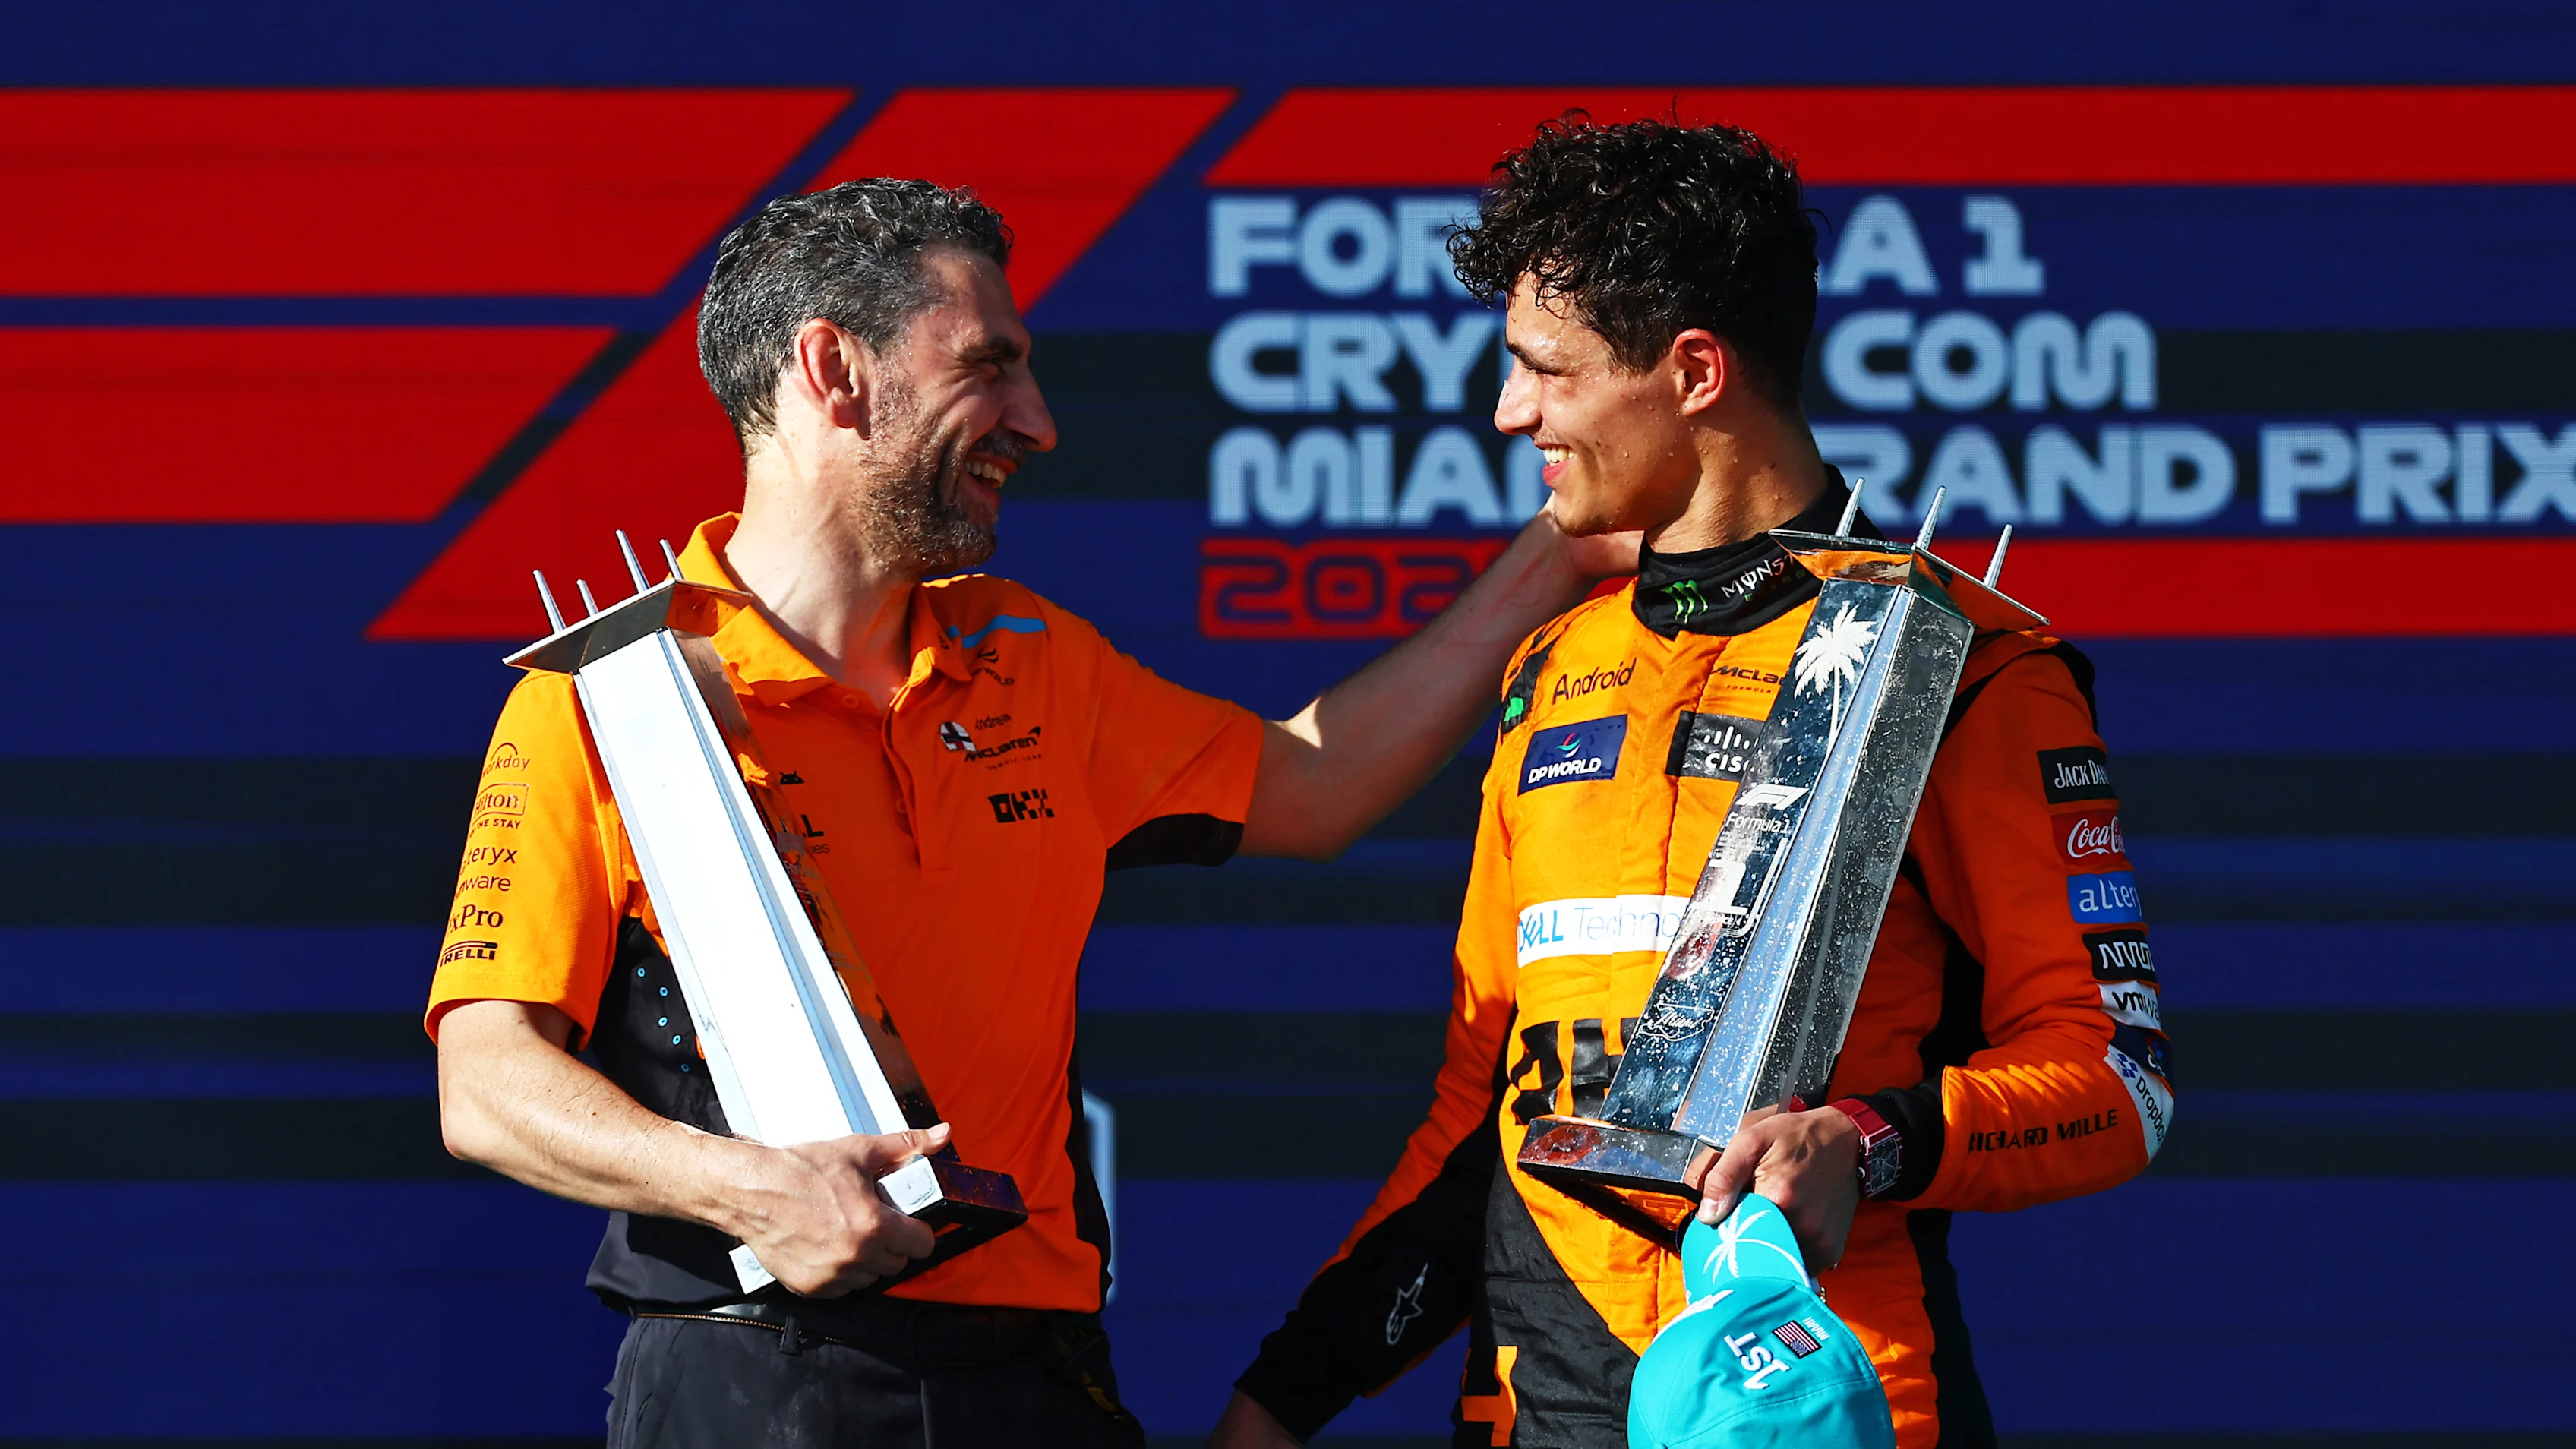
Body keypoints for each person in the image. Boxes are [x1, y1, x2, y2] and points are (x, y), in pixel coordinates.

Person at [428, 178, 1633, 1447]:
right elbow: (488, 1081)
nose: (1038, 423)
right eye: (988, 368)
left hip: (1044, 1385)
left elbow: (1316, 784)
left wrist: (1565, 545)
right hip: (756, 1380)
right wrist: (751, 1192)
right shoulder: (614, 698)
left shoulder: (1031, 660)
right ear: (834, 368)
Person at [1211, 115, 2173, 1449]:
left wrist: (1869, 1141)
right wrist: (1289, 1391)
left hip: (1822, 1401)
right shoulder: (1551, 667)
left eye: (1544, 371)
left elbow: (2119, 1081)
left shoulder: (1954, 662)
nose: (1510, 413)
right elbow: (1481, 1116)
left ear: (1696, 372)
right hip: (1534, 1407)